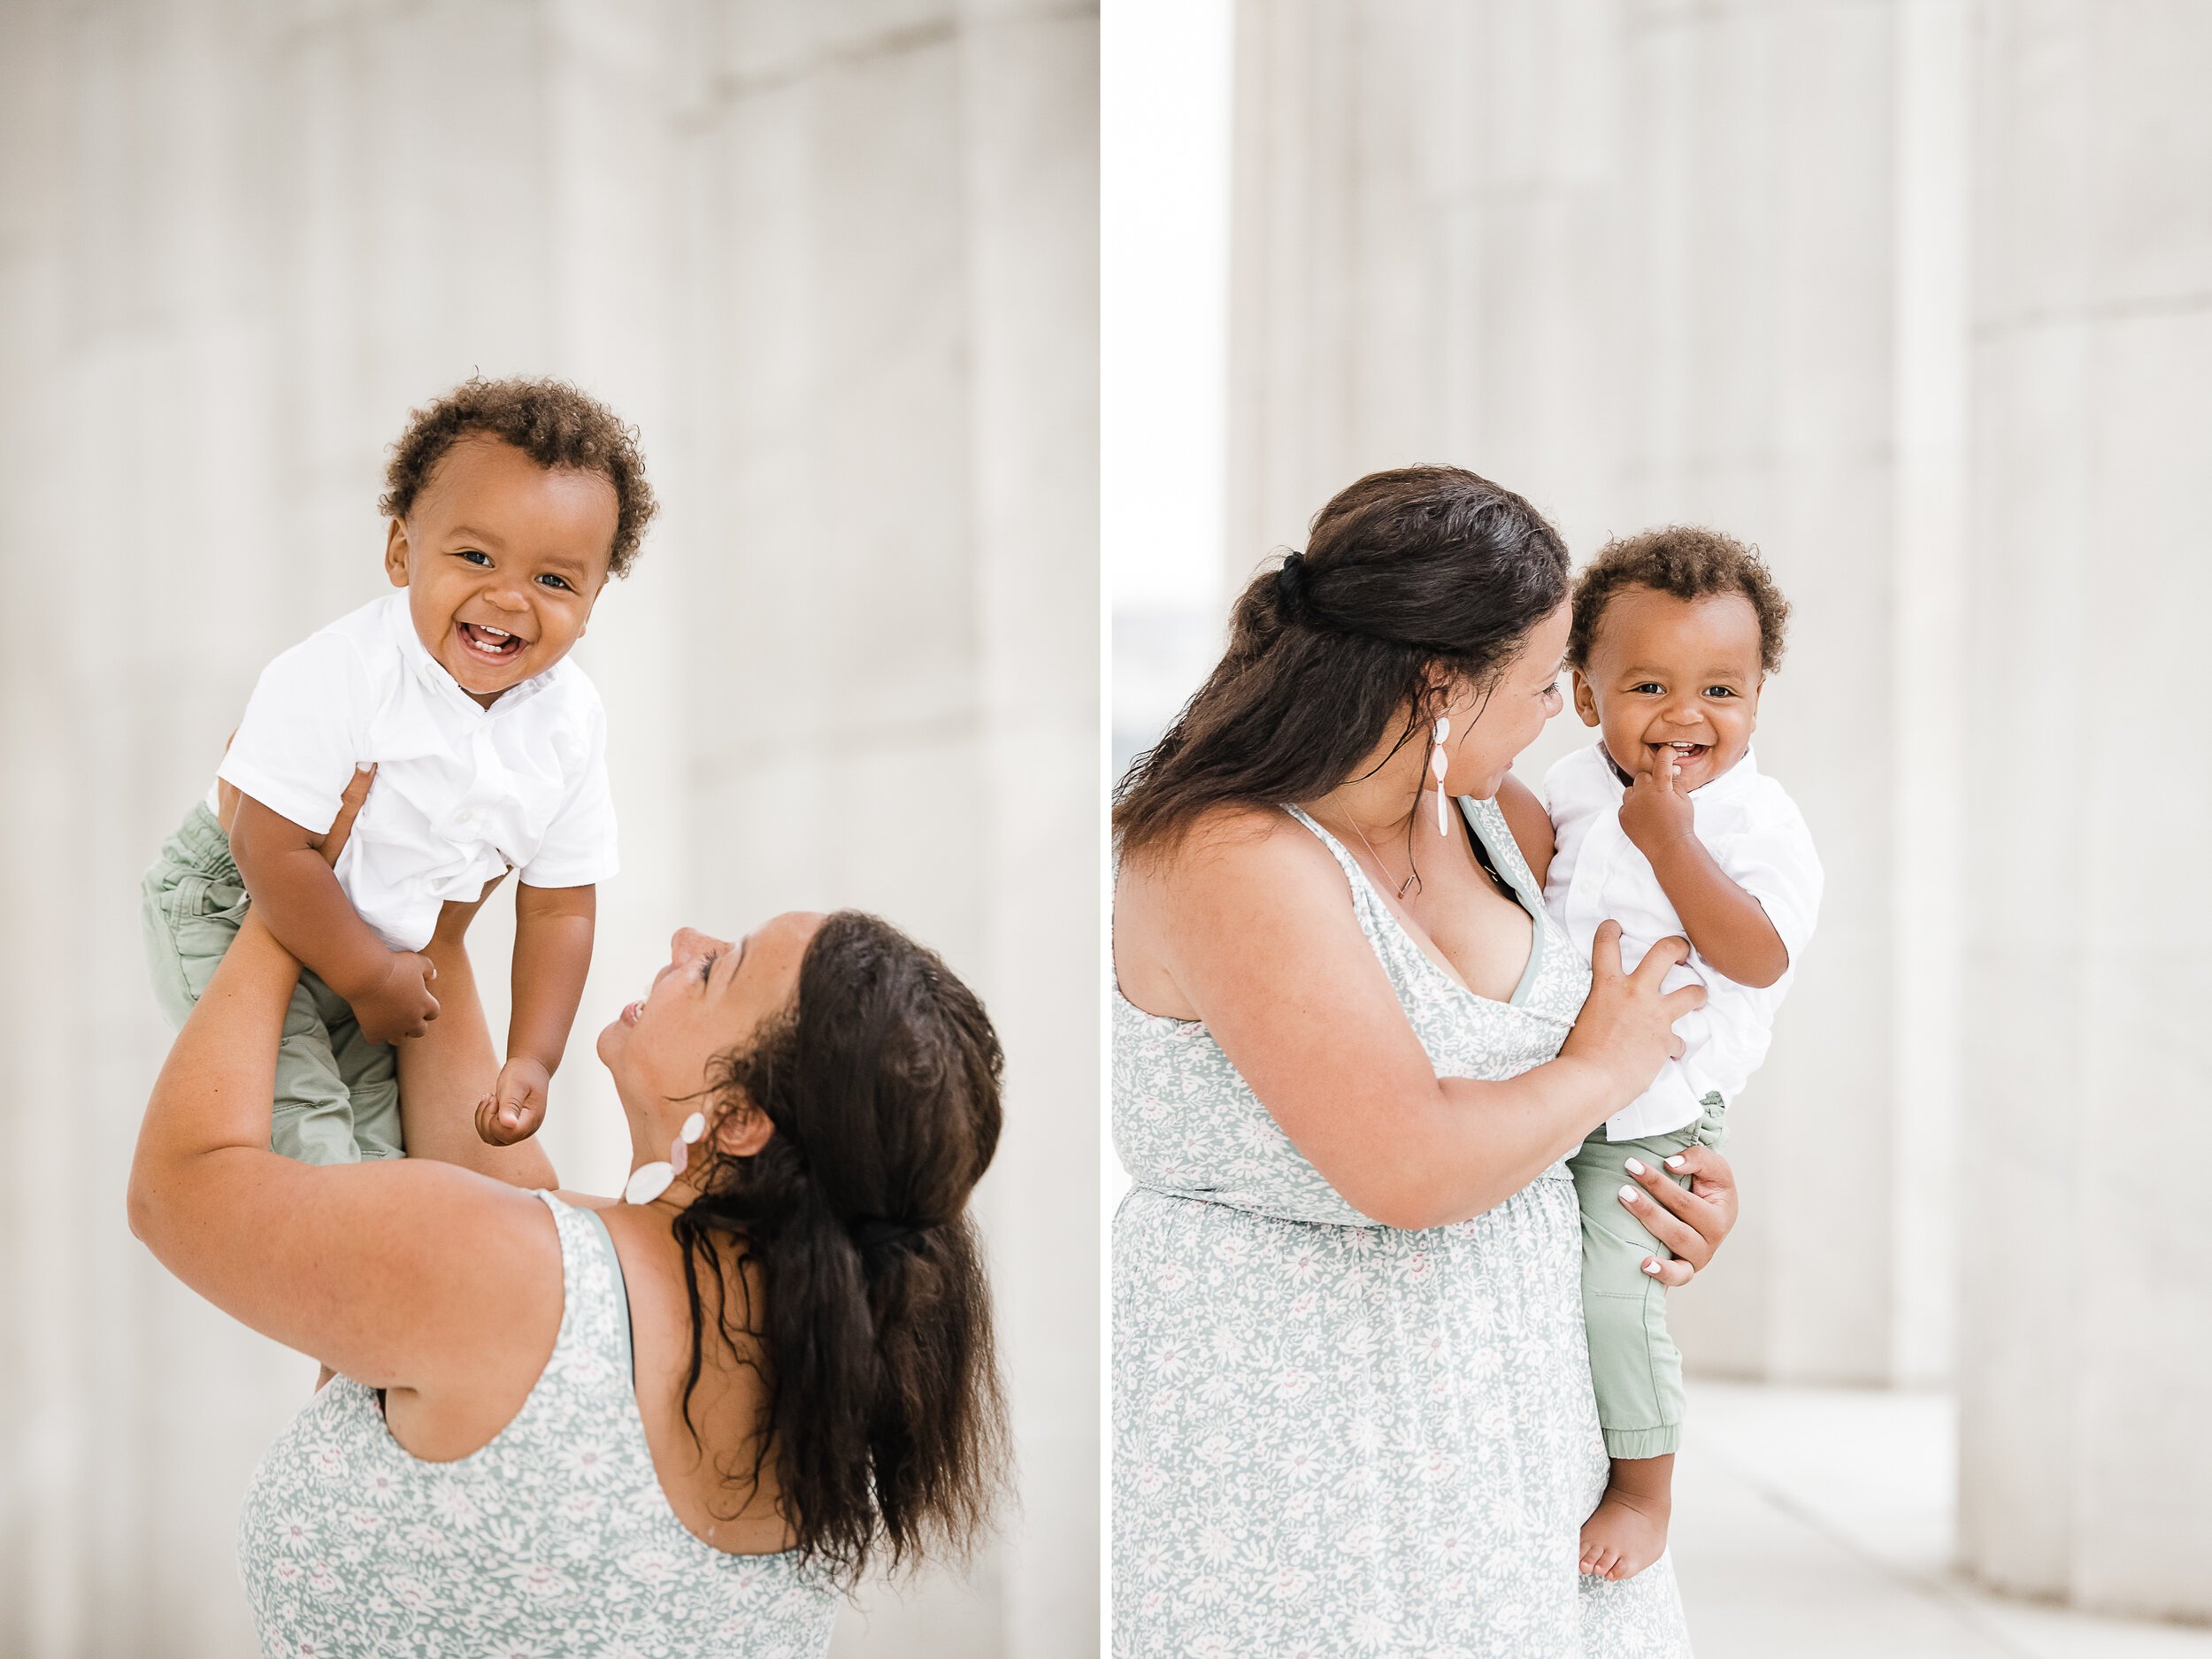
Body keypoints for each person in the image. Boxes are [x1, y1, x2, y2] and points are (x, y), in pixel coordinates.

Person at [128, 766, 1008, 1658]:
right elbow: (481, 1158)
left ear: (738, 1120)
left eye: (714, 969)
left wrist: (287, 880)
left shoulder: (518, 1278)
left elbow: (178, 1185)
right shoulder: (821, 1388)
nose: (684, 940)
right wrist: (438, 911)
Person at [1112, 465, 1740, 1654]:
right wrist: (1604, 1069)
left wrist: (1663, 1178)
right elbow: (1407, 1160)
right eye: (1543, 676)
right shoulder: (1226, 852)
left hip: (1523, 1409)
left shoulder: (1502, 815)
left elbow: (1581, 1082)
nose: (1562, 704)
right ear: (1438, 680)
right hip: (1306, 1431)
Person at [139, 375, 654, 1167]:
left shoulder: (571, 723)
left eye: (554, 580)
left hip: (388, 949)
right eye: (475, 555)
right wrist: (368, 975)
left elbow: (559, 908)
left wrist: (533, 1056)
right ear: (401, 551)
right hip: (238, 898)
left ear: (592, 603)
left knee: (386, 1169)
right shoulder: (342, 672)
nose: (510, 597)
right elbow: (266, 845)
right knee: (310, 1141)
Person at [1542, 526, 1824, 1581]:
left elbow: (1755, 954)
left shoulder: (1758, 819)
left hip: (1653, 1116)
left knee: (1616, 1295)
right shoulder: (1567, 788)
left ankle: (1643, 1488)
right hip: (1554, 1093)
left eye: (1721, 689)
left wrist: (1672, 840)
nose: (1684, 717)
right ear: (1583, 694)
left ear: (1757, 699)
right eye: (1649, 684)